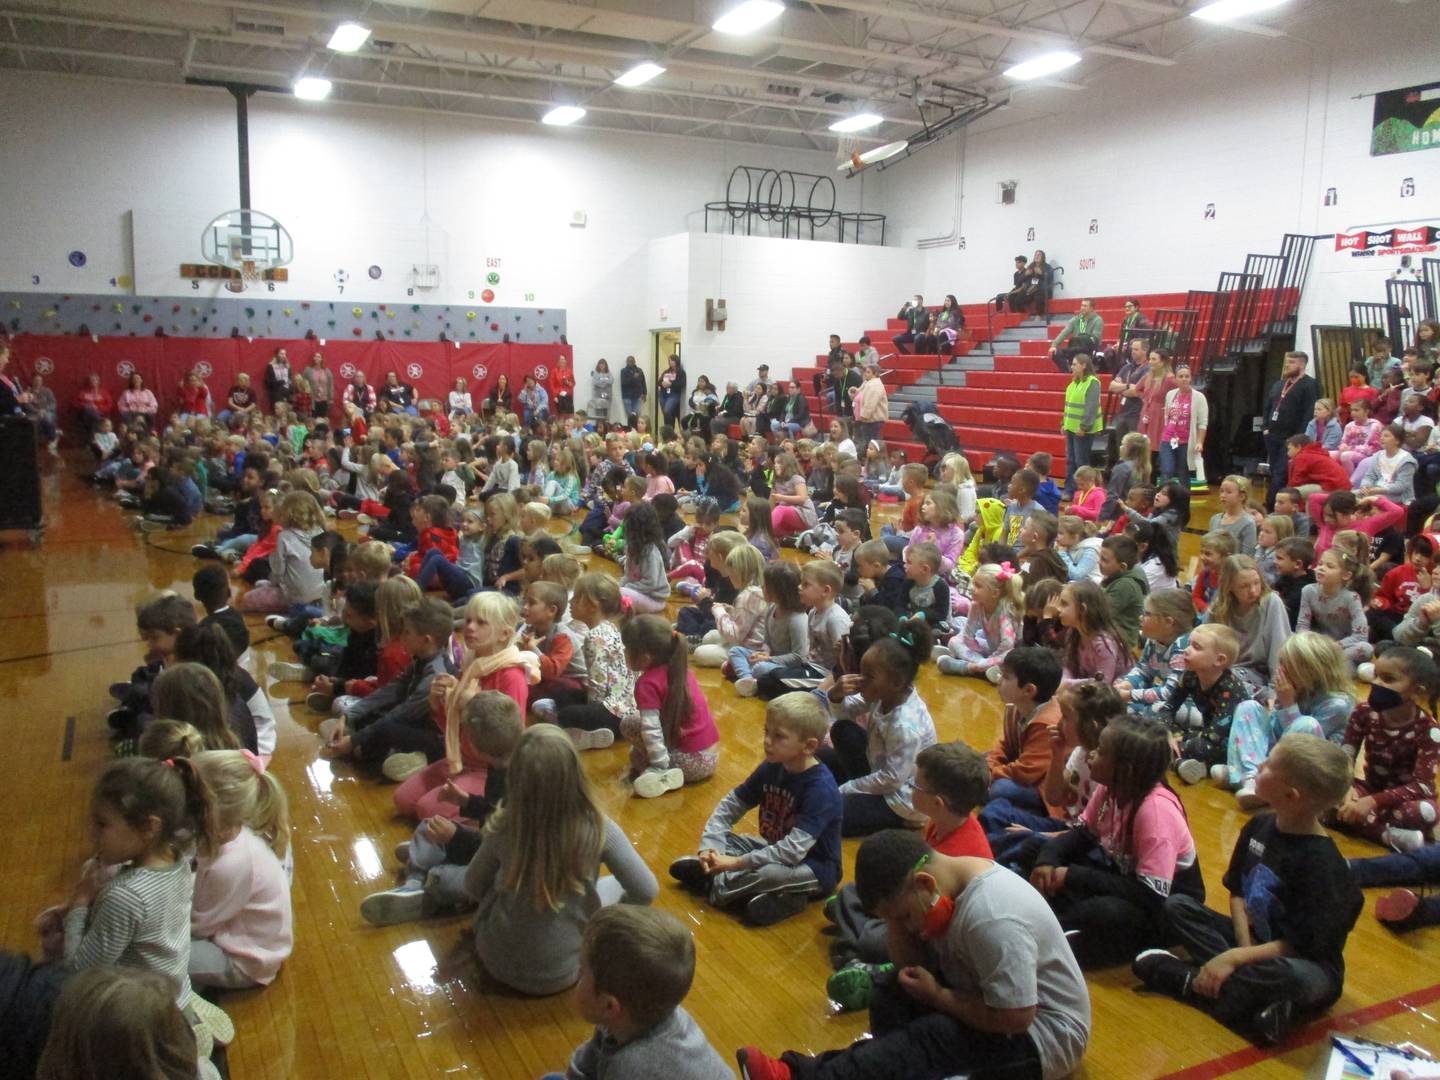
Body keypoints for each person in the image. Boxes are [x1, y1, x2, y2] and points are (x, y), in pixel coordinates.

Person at [734, 828, 1091, 1080]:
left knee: (931, 1036)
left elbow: (1016, 1017)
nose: (908, 926)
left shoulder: (992, 916)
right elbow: (909, 963)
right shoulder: (940, 887)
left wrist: (938, 996)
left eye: (903, 916)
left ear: (925, 884)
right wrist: (899, 923)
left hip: (1045, 1036)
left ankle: (798, 1075)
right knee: (892, 989)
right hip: (989, 1001)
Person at [1134, 733, 1361, 1047]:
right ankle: (1254, 1004)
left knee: (1292, 978)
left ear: (1291, 795)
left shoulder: (1324, 867)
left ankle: (1186, 981)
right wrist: (1239, 948)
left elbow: (1303, 946)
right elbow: (1238, 891)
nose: (1260, 764)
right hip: (1253, 943)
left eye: (1269, 765)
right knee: (1177, 907)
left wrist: (1236, 957)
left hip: (1303, 964)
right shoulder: (1259, 827)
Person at [462, 725, 658, 996]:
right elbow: (646, 890)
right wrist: (602, 926)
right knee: (609, 884)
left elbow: (472, 885)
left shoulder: (504, 824)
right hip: (564, 971)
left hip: (495, 960)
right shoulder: (599, 827)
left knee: (498, 884)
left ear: (515, 776)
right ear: (576, 773)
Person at [669, 692, 842, 926]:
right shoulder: (772, 766)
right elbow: (730, 806)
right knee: (729, 843)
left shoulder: (820, 789)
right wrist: (711, 848)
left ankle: (715, 884)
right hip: (774, 849)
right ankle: (752, 891)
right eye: (766, 732)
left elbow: (792, 852)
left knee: (769, 873)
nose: (768, 741)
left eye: (779, 736)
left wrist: (734, 863)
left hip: (814, 867)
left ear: (809, 746)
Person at [548, 906, 731, 1080]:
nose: (576, 974)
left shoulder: (630, 1068)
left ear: (609, 1006)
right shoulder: (628, 1017)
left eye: (582, 970)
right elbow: (588, 1061)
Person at [187, 750, 293, 989]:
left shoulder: (230, 863)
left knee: (155, 957)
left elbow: (198, 928)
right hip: (227, 930)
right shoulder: (224, 837)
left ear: (207, 812)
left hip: (245, 961)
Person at [822, 620, 937, 835]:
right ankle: (859, 794)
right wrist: (835, 695)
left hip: (902, 798)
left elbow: (892, 779)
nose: (861, 680)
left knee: (828, 815)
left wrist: (847, 789)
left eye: (869, 676)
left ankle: (898, 821)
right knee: (841, 731)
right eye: (861, 672)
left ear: (896, 682)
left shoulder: (905, 724)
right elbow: (846, 712)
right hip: (882, 772)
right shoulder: (884, 694)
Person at [1335, 645, 1440, 851]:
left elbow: (1423, 786)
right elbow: (1346, 755)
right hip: (1369, 789)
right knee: (1324, 792)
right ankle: (1387, 835)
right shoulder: (1363, 711)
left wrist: (1373, 802)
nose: (1376, 683)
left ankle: (1359, 822)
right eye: (1375, 675)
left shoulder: (1429, 730)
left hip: (1404, 800)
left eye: (1388, 679)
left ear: (1416, 691)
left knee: (1427, 811)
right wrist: (1346, 787)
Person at [620, 615, 720, 797]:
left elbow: (651, 729)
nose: (624, 653)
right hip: (710, 758)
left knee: (629, 725)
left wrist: (658, 765)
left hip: (688, 765)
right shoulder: (682, 671)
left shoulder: (647, 683)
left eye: (627, 649)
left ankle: (662, 775)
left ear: (644, 658)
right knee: (636, 752)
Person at [1262, 351, 1321, 510]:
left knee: (1282, 473)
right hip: (1273, 435)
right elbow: (1268, 405)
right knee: (1274, 471)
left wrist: (1299, 437)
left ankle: (1272, 505)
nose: (1287, 365)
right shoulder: (1279, 384)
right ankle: (1275, 503)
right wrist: (1265, 427)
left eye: (1292, 362)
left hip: (1291, 438)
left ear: (1302, 364)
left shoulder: (1310, 384)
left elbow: (1309, 411)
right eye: (1287, 362)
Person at [1159, 362, 1207, 488]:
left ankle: (1183, 504)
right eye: (1181, 376)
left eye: (1187, 376)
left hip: (1186, 441)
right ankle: (1164, 501)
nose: (1184, 379)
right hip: (1168, 439)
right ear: (1176, 378)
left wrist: (1199, 442)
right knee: (1167, 471)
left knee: (1183, 473)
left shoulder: (1199, 397)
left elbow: (1202, 423)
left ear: (1191, 378)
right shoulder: (1170, 394)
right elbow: (1167, 416)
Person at [1060, 354, 1101, 496]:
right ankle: (1070, 489)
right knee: (1071, 460)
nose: (1072, 367)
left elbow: (1091, 406)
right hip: (1070, 427)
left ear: (1084, 365)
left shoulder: (1092, 382)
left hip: (1082, 430)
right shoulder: (1073, 383)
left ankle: (1084, 491)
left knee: (1081, 461)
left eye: (1075, 364)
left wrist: (1084, 426)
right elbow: (1067, 406)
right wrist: (1063, 423)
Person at [1049, 299, 1104, 373]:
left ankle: (1074, 370)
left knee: (1078, 350)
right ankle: (1068, 371)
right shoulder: (1076, 319)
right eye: (1081, 305)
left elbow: (1095, 338)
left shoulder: (1098, 320)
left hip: (1089, 349)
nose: (1082, 307)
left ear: (1092, 308)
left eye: (1085, 306)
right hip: (1075, 348)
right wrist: (1054, 345)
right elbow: (1064, 332)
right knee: (1056, 353)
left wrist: (1082, 338)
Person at [852, 364, 888, 449]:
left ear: (875, 374)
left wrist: (864, 415)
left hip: (873, 420)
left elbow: (870, 403)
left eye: (868, 372)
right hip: (869, 420)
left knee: (872, 445)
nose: (865, 374)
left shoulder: (875, 385)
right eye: (865, 371)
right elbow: (860, 394)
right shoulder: (868, 382)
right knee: (868, 444)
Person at [658, 354, 686, 426]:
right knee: (666, 414)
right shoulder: (667, 371)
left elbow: (682, 383)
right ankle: (668, 429)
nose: (670, 362)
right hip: (663, 393)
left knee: (667, 411)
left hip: (673, 394)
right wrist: (662, 383)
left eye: (672, 360)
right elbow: (659, 381)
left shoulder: (680, 372)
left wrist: (671, 384)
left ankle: (669, 429)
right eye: (669, 361)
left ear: (676, 361)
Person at [304, 351, 333, 419]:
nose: (317, 358)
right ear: (313, 358)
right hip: (312, 400)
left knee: (323, 419)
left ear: (321, 359)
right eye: (315, 356)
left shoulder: (327, 371)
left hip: (324, 399)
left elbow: (330, 385)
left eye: (319, 357)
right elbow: (304, 383)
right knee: (313, 418)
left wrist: (331, 398)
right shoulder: (308, 370)